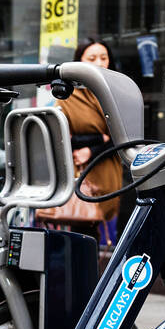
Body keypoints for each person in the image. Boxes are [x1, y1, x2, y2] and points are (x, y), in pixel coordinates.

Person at [37, 38, 129, 246]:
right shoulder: (68, 95)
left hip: (107, 166)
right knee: (82, 225)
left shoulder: (118, 92)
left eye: (103, 58)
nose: (99, 62)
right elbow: (59, 135)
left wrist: (92, 148)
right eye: (92, 58)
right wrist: (98, 138)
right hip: (80, 169)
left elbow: (123, 135)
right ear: (80, 62)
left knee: (105, 225)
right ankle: (83, 273)